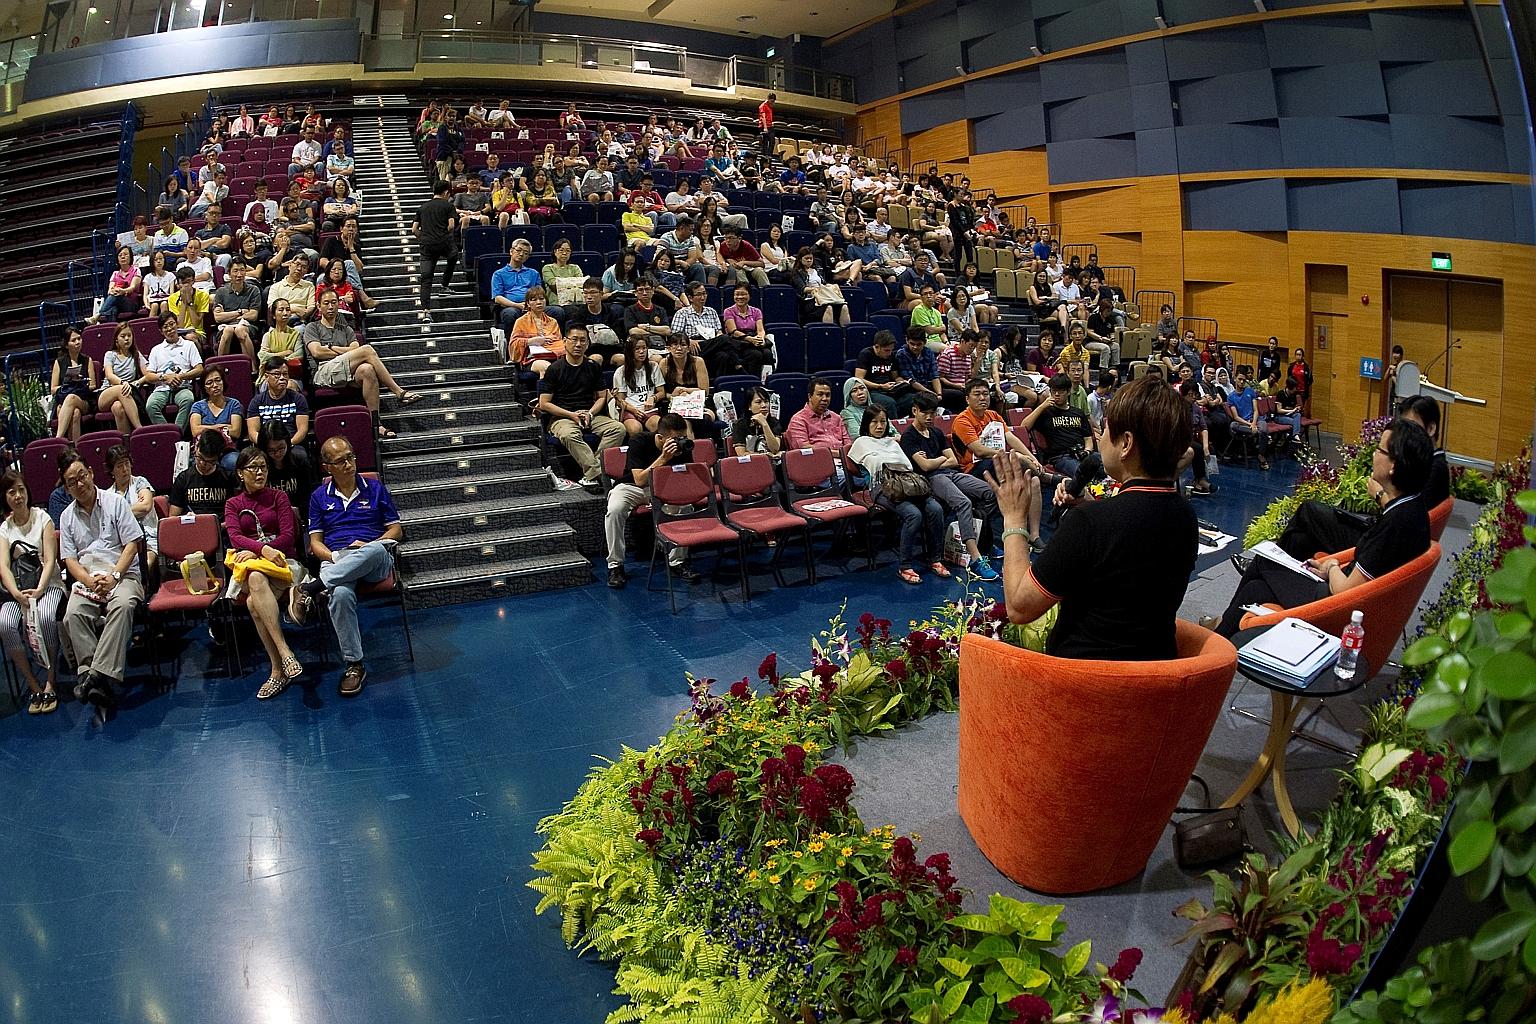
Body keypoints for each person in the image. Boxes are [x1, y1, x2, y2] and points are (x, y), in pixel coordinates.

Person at [987, 375, 1198, 659]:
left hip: (1085, 687)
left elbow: (1020, 607)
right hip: (1155, 678)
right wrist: (1088, 504)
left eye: (1107, 427)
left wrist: (1014, 520)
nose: (1100, 436)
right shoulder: (1185, 514)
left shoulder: (1089, 524)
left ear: (1126, 444)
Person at [1209, 418, 1434, 637]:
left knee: (1264, 561)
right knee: (1259, 586)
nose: (1374, 455)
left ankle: (1217, 640)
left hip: (1337, 609)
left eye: (1379, 450)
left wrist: (1332, 566)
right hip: (1359, 602)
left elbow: (1345, 592)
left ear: (1393, 465)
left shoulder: (1394, 525)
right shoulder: (1413, 509)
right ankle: (1220, 639)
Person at [298, 437, 402, 698]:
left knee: (377, 549)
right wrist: (336, 558)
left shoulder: (375, 488)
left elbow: (396, 530)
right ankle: (354, 665)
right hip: (337, 558)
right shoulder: (318, 497)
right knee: (341, 594)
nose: (349, 464)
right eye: (341, 460)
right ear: (327, 467)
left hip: (373, 559)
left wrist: (368, 545)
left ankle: (314, 587)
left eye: (351, 457)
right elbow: (315, 544)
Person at [56, 450, 145, 710]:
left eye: (81, 476)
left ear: (91, 473)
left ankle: (92, 674)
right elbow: (70, 561)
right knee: (72, 613)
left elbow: (132, 543)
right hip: (88, 578)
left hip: (122, 573)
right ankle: (97, 680)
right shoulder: (66, 517)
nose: (79, 484)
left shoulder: (115, 503)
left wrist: (115, 575)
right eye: (71, 482)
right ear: (66, 486)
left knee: (124, 604)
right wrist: (88, 580)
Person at [225, 446, 305, 699]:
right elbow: (235, 537)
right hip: (254, 566)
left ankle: (277, 670)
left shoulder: (279, 497)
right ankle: (285, 653)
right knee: (256, 577)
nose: (260, 472)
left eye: (263, 467)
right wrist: (262, 551)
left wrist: (265, 552)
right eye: (253, 468)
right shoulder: (233, 504)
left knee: (252, 603)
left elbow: (288, 536)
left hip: (283, 563)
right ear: (240, 473)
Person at [900, 394, 1000, 581]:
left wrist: (933, 460)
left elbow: (953, 460)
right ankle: (975, 558)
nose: (929, 417)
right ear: (915, 411)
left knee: (991, 492)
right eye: (925, 413)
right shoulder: (908, 437)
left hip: (951, 474)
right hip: (931, 479)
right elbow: (926, 468)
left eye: (932, 413)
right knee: (963, 503)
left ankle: (980, 538)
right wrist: (938, 461)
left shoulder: (936, 433)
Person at [848, 406, 947, 585]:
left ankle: (935, 559)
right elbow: (872, 464)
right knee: (913, 515)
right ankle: (905, 566)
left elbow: (907, 465)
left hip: (907, 483)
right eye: (874, 422)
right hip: (882, 487)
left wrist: (893, 451)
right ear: (866, 424)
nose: (879, 426)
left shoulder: (893, 442)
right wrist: (889, 460)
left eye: (883, 421)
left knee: (935, 509)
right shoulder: (861, 442)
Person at [305, 289, 420, 439]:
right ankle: (399, 392)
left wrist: (331, 348)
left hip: (346, 370)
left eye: (334, 302)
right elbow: (317, 352)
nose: (331, 306)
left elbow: (354, 349)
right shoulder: (312, 327)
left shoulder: (346, 329)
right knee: (367, 350)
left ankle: (376, 424)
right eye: (326, 303)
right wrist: (347, 352)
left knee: (367, 369)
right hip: (323, 372)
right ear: (318, 306)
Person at [603, 413, 699, 590]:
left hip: (665, 487)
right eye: (675, 439)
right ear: (660, 437)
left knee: (685, 505)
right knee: (615, 510)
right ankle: (615, 566)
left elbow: (685, 477)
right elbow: (639, 479)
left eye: (683, 437)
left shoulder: (683, 447)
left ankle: (677, 561)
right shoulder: (639, 441)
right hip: (632, 487)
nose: (680, 442)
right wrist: (664, 458)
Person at [954, 378, 1044, 548]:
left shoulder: (994, 415)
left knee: (1034, 481)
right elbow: (979, 451)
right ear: (967, 399)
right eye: (977, 394)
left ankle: (1034, 535)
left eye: (986, 394)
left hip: (1000, 463)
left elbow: (1010, 437)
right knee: (1016, 462)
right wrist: (1015, 457)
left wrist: (1031, 457)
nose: (982, 398)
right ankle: (1050, 478)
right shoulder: (962, 420)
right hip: (974, 469)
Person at [0, 470, 63, 713]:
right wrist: (16, 594)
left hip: (47, 586)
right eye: (11, 492)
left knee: (46, 617)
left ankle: (50, 679)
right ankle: (32, 682)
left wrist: (38, 591)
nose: (18, 496)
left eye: (21, 490)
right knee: (5, 623)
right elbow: (3, 566)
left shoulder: (43, 518)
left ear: (28, 491)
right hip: (18, 591)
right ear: (5, 497)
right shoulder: (4, 528)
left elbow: (49, 561)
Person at [539, 326, 625, 493]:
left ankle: (591, 474)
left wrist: (590, 413)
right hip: (562, 416)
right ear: (565, 342)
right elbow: (544, 404)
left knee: (618, 429)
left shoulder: (593, 366)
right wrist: (571, 415)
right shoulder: (554, 369)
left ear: (587, 344)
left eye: (582, 340)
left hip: (590, 413)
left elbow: (602, 397)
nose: (578, 344)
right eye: (574, 339)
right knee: (570, 434)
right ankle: (599, 473)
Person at [1025, 374, 1099, 480]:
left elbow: (1087, 438)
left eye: (1061, 391)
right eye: (1053, 391)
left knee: (1105, 464)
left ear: (1068, 391)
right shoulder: (1045, 412)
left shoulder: (1078, 412)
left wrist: (1087, 451)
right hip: (1060, 457)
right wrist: (1041, 406)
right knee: (1083, 472)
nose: (1056, 394)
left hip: (1081, 453)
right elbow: (1024, 426)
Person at [411, 179, 461, 322]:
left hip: (427, 245)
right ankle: (444, 285)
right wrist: (441, 234)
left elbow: (414, 229)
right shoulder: (448, 205)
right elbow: (451, 226)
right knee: (453, 256)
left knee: (426, 278)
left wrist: (424, 237)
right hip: (443, 242)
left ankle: (426, 311)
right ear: (446, 192)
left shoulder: (423, 207)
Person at [785, 378, 852, 484]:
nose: (825, 399)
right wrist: (838, 453)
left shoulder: (837, 418)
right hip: (814, 465)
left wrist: (843, 455)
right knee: (843, 477)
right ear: (810, 396)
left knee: (870, 475)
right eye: (820, 394)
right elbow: (804, 449)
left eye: (828, 395)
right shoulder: (798, 419)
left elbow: (848, 444)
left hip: (842, 462)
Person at [247, 359, 312, 466]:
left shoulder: (298, 399)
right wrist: (268, 446)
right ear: (267, 376)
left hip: (291, 444)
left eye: (285, 374)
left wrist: (285, 445)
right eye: (277, 374)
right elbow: (252, 432)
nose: (282, 378)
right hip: (266, 445)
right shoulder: (257, 401)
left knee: (300, 455)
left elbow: (302, 430)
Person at [145, 313, 203, 430]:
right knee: (151, 406)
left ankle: (177, 434)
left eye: (171, 324)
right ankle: (169, 433)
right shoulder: (156, 350)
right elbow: (148, 376)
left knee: (188, 399)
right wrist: (164, 378)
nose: (169, 329)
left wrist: (180, 377)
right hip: (162, 388)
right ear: (161, 331)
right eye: (165, 327)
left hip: (183, 386)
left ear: (177, 325)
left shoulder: (189, 345)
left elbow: (199, 369)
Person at [188, 364, 244, 471]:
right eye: (209, 383)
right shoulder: (198, 406)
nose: (215, 385)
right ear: (204, 388)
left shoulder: (234, 404)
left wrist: (206, 428)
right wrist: (222, 427)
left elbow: (236, 431)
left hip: (227, 451)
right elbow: (195, 431)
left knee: (234, 462)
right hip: (204, 452)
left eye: (218, 380)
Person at [613, 334, 665, 437]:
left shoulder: (653, 366)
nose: (642, 352)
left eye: (644, 348)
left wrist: (653, 398)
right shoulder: (621, 372)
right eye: (637, 349)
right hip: (630, 410)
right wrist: (634, 410)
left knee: (660, 426)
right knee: (635, 429)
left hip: (648, 409)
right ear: (630, 351)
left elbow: (662, 392)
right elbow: (620, 401)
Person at [492, 238, 547, 334]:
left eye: (526, 253)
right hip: (511, 306)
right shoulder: (499, 274)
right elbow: (498, 298)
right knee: (510, 314)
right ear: (511, 251)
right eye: (518, 250)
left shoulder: (533, 273)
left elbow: (539, 293)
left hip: (533, 306)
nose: (521, 254)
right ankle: (512, 346)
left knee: (557, 311)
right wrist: (517, 305)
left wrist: (531, 305)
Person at [50, 327, 96, 442]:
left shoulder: (87, 360)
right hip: (64, 400)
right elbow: (53, 389)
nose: (77, 342)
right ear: (66, 345)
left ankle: (58, 439)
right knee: (75, 413)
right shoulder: (59, 362)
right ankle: (74, 448)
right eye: (73, 340)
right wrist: (67, 384)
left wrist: (81, 383)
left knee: (71, 398)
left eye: (79, 339)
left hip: (84, 400)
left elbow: (93, 385)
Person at [854, 329, 913, 417]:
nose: (889, 353)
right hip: (873, 391)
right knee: (889, 403)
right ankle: (894, 429)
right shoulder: (866, 354)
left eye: (891, 350)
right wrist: (880, 386)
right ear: (877, 347)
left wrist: (901, 382)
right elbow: (859, 379)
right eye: (886, 350)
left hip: (890, 390)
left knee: (913, 398)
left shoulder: (891, 356)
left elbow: (895, 377)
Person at [1225, 366, 1271, 470]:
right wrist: (1249, 425)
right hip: (1242, 423)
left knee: (1263, 428)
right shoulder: (1231, 397)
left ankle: (1261, 455)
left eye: (1244, 380)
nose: (1241, 382)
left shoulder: (1250, 391)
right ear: (1235, 378)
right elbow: (1236, 417)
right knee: (1233, 425)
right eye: (1240, 379)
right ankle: (1254, 432)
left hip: (1255, 420)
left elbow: (1255, 410)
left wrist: (1254, 423)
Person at [731, 388, 783, 456]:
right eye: (758, 402)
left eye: (766, 401)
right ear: (749, 406)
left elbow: (775, 449)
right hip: (750, 464)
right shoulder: (739, 425)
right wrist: (765, 455)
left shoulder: (774, 422)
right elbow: (741, 454)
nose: (764, 405)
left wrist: (764, 424)